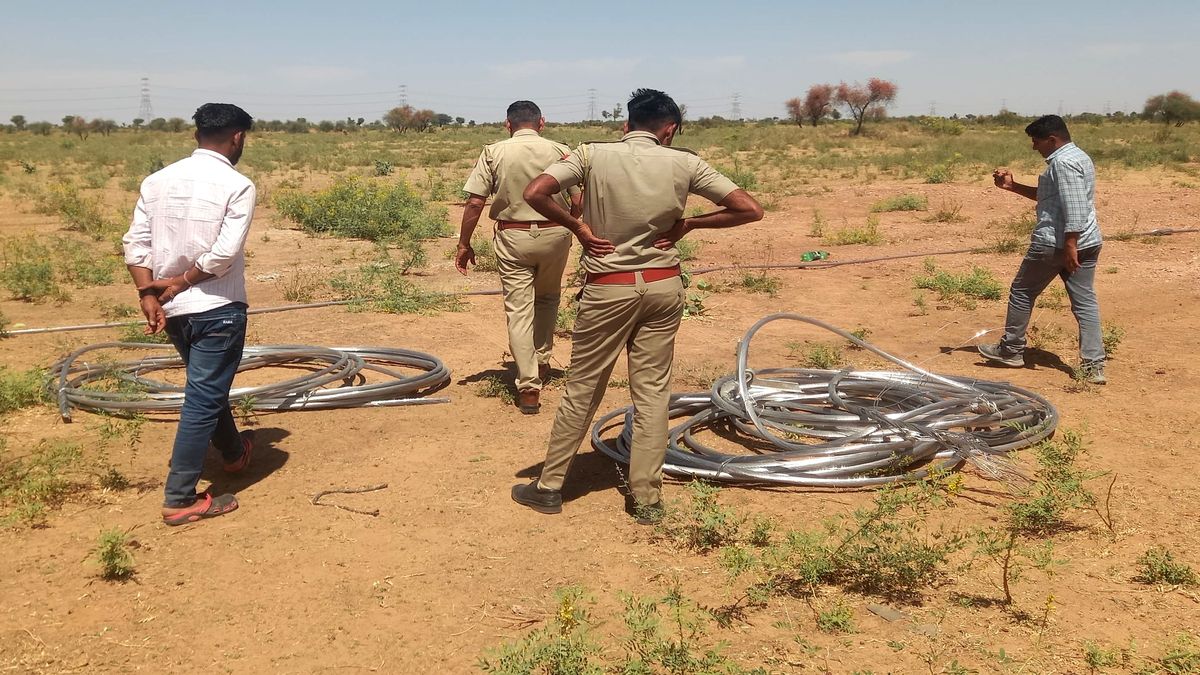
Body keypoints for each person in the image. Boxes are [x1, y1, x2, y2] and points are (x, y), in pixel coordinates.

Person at [510, 88, 763, 523]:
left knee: (583, 387)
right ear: (670, 129)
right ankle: (646, 498)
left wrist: (578, 227)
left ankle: (549, 486)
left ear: (626, 126)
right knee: (651, 392)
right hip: (664, 287)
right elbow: (748, 208)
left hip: (608, 287)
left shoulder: (590, 155)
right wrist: (688, 224)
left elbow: (536, 192)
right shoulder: (685, 161)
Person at [123, 103, 257, 525]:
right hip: (216, 307)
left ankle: (234, 454)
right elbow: (223, 254)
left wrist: (149, 293)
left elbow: (136, 241)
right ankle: (180, 498)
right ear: (237, 138)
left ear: (197, 134)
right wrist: (180, 282)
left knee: (206, 386)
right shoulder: (237, 185)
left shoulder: (157, 181)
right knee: (202, 397)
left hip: (175, 311)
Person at [456, 101, 583, 414]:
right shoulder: (560, 150)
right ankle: (541, 363)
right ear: (541, 123)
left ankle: (528, 387)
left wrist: (464, 243)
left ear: (507, 124)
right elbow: (577, 199)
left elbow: (475, 203)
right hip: (556, 234)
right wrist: (571, 223)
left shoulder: (494, 151)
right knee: (548, 299)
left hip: (513, 236)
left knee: (518, 308)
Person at [980, 114, 1106, 383]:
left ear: (1052, 139)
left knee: (1023, 291)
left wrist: (1070, 244)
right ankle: (1094, 366)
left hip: (1057, 243)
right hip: (1087, 241)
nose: (1034, 147)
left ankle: (1011, 350)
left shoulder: (1063, 163)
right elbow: (1052, 197)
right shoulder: (1079, 157)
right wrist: (1012, 187)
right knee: (1085, 302)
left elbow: (1075, 207)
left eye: (1036, 141)